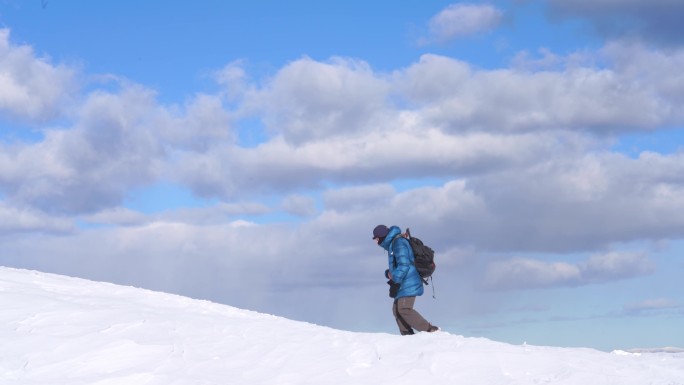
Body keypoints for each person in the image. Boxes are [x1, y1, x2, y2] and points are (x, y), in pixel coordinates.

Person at [373, 224, 439, 335]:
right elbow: (400, 264)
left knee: (404, 308)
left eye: (376, 239)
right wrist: (389, 273)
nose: (376, 242)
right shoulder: (393, 244)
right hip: (403, 281)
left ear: (381, 237)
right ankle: (407, 336)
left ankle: (430, 330)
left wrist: (395, 280)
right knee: (396, 310)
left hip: (408, 281)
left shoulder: (398, 243)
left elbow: (404, 265)